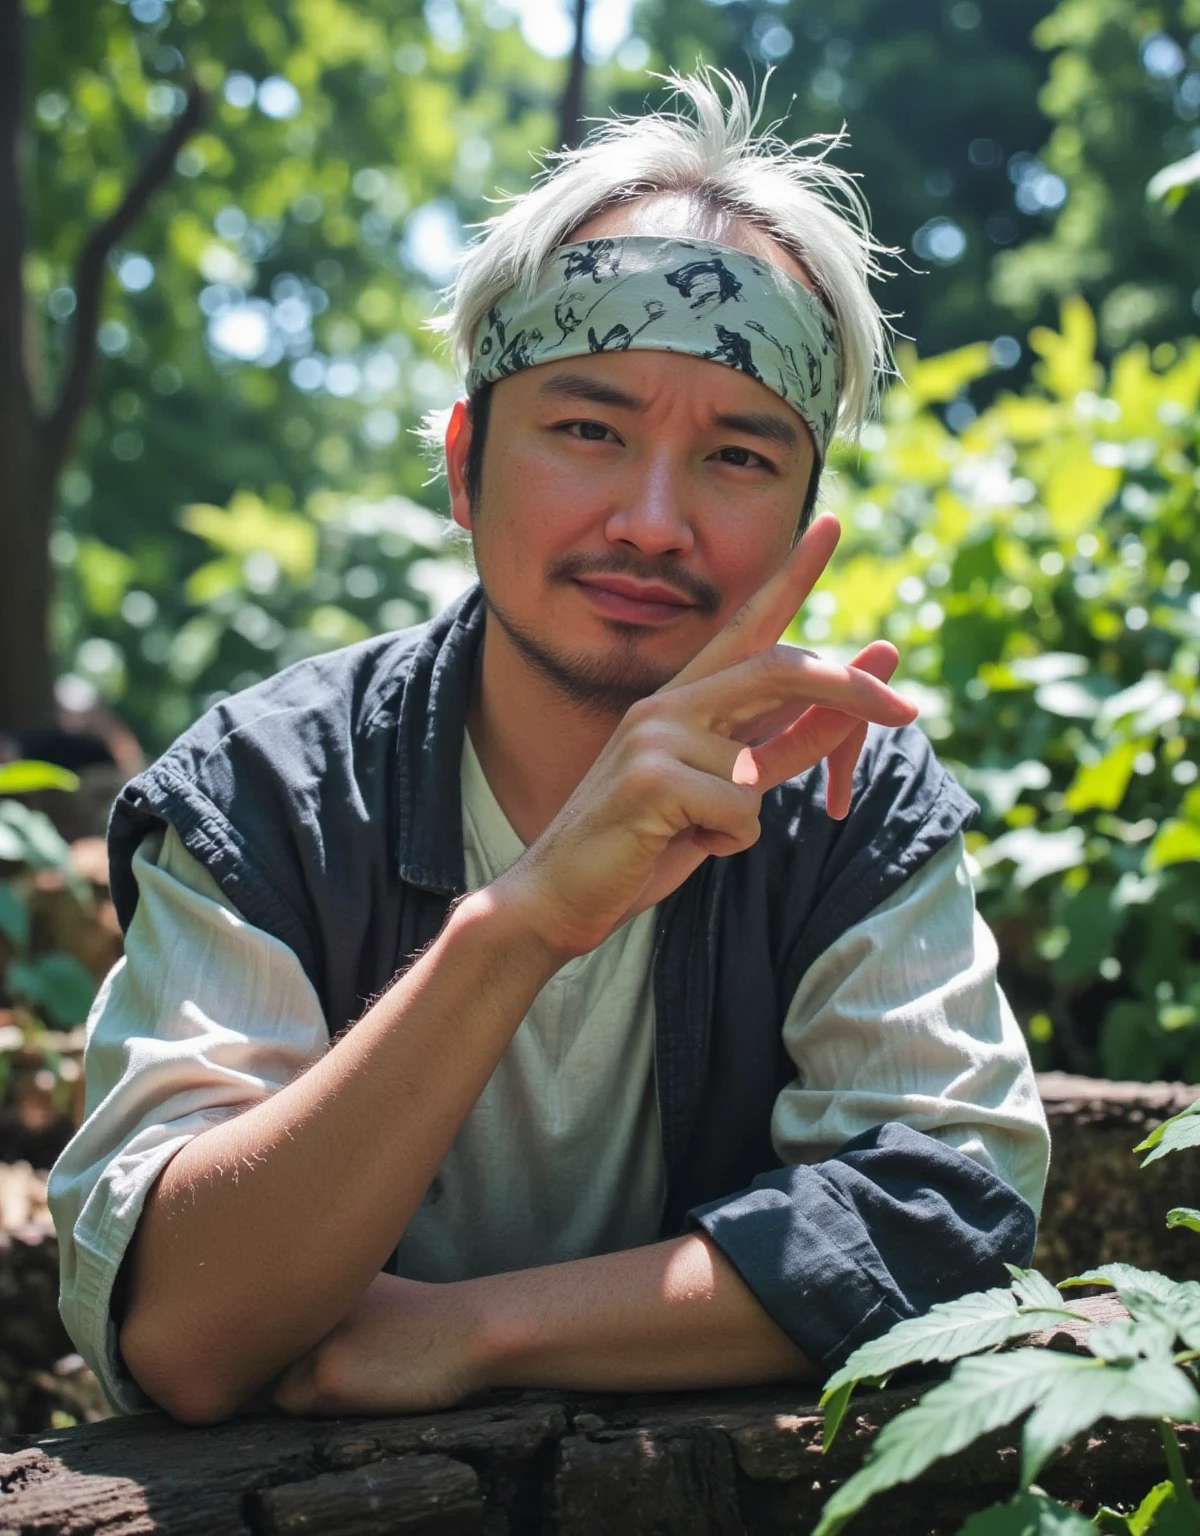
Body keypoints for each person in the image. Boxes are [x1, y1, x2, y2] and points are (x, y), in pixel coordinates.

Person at [49, 71, 1049, 1425]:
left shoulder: (845, 790)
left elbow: (960, 1217)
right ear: (465, 467)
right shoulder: (268, 793)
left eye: (739, 457)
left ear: (810, 519)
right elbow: (179, 1327)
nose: (651, 521)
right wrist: (519, 925)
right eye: (588, 428)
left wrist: (475, 1333)